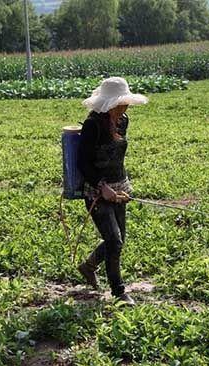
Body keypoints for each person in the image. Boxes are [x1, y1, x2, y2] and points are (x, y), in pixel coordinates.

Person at [76, 77, 148, 306]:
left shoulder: (123, 120)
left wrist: (120, 186)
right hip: (97, 191)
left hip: (120, 185)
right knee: (114, 241)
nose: (124, 109)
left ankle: (88, 266)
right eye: (120, 104)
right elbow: (83, 162)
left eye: (125, 104)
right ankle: (119, 292)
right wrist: (102, 186)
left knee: (118, 240)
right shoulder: (92, 126)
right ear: (108, 104)